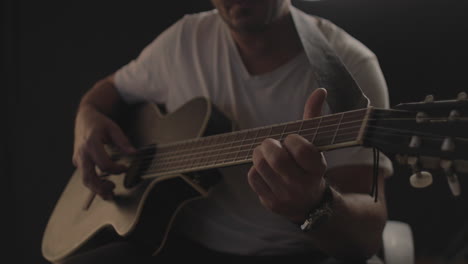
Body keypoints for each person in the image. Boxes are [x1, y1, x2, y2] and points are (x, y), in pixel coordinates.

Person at [68, 0, 393, 263]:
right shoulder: (184, 40)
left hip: (291, 254)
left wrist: (314, 204)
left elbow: (364, 241)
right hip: (176, 245)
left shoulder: (351, 66)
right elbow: (108, 90)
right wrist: (87, 117)